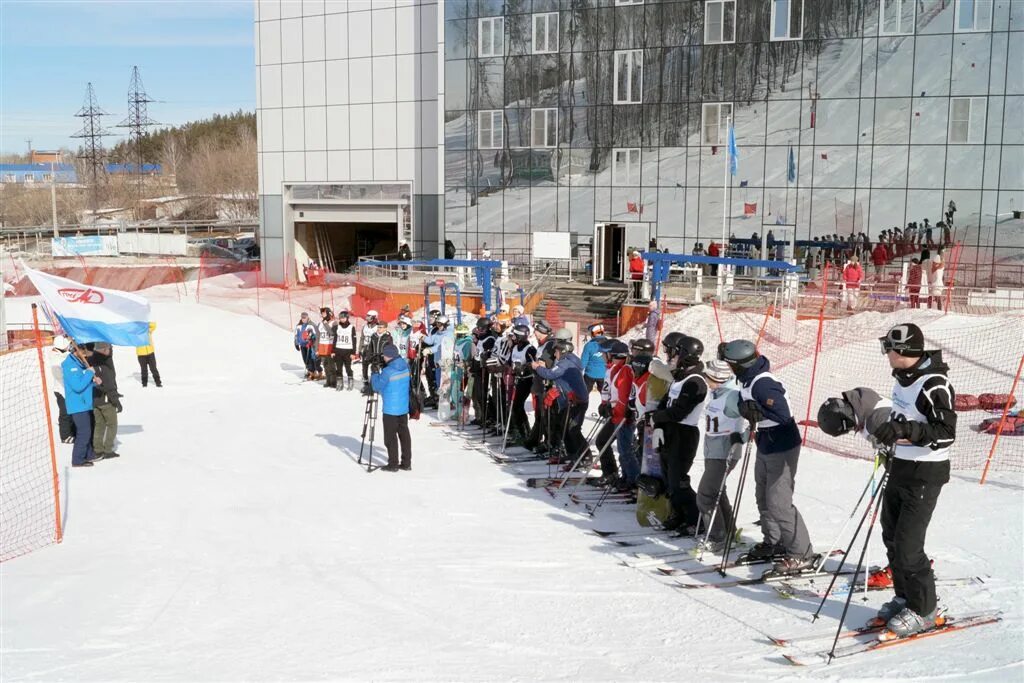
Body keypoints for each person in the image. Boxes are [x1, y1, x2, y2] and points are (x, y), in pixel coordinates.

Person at [868, 324, 956, 638]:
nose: (886, 354)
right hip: (901, 467)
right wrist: (888, 435)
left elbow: (946, 435)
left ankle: (925, 610)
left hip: (925, 473)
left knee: (908, 546)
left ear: (903, 350)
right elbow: (901, 419)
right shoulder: (902, 380)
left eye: (888, 348)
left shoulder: (933, 383)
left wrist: (906, 432)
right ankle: (905, 597)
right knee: (891, 535)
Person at [720, 339, 814, 571]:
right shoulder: (746, 380)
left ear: (740, 365)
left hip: (781, 444)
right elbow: (750, 410)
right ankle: (774, 541)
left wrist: (757, 412)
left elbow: (784, 414)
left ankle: (802, 552)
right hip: (765, 442)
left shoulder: (763, 383)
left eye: (731, 365)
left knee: (779, 502)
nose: (729, 369)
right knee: (763, 496)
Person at [649, 335, 707, 532]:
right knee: (669, 477)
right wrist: (658, 424)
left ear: (684, 354)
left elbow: (679, 412)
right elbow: (665, 403)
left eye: (673, 353)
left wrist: (657, 418)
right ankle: (678, 514)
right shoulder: (679, 377)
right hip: (670, 430)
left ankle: (695, 519)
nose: (670, 357)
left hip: (684, 433)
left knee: (678, 479)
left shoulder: (695, 381)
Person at [696, 359, 748, 549]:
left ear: (716, 378)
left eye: (707, 378)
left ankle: (717, 537)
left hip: (724, 453)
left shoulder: (732, 396)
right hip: (714, 452)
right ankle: (729, 531)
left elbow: (755, 417)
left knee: (705, 495)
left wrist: (742, 437)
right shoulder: (718, 393)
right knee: (718, 491)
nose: (705, 381)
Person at [532, 336, 589, 465]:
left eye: (556, 351)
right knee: (565, 427)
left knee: (573, 429)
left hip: (577, 401)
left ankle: (585, 455)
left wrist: (537, 367)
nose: (555, 353)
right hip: (569, 400)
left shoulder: (565, 362)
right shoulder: (567, 361)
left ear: (562, 352)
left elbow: (550, 374)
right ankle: (572, 454)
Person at [595, 340, 638, 491]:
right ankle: (621, 476)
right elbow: (610, 392)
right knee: (618, 447)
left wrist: (616, 410)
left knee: (625, 449)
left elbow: (624, 396)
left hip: (623, 416)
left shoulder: (625, 370)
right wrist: (605, 405)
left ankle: (632, 479)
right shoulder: (614, 369)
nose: (605, 358)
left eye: (608, 355)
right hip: (615, 414)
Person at [371, 344, 413, 472]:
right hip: (403, 407)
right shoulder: (405, 365)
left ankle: (393, 464)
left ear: (388, 355)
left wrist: (374, 374)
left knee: (390, 437)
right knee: (404, 434)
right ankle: (406, 463)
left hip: (390, 409)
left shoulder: (387, 372)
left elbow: (377, 386)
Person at [63, 341, 103, 467]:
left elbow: (84, 384)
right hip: (77, 404)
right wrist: (89, 373)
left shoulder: (78, 364)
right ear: (78, 351)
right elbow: (78, 386)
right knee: (84, 432)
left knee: (87, 430)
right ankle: (78, 459)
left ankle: (89, 454)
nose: (86, 357)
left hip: (84, 403)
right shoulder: (70, 365)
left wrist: (94, 383)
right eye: (85, 354)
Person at [89, 342, 122, 460]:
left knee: (99, 425)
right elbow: (108, 386)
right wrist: (116, 401)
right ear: (103, 350)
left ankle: (98, 450)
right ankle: (107, 449)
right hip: (106, 401)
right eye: (109, 348)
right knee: (112, 424)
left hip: (95, 400)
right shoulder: (105, 365)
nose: (110, 350)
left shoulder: (91, 362)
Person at [506, 324, 537, 446]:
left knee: (517, 406)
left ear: (520, 336)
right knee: (515, 407)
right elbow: (510, 362)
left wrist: (523, 368)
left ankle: (524, 433)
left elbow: (533, 365)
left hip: (527, 380)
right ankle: (522, 432)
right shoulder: (514, 347)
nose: (513, 337)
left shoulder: (530, 349)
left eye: (515, 335)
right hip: (518, 380)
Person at [579, 323, 608, 393]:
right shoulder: (608, 344)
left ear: (593, 334)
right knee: (605, 395)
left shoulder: (589, 345)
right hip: (604, 375)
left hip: (590, 374)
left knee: (584, 395)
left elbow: (583, 363)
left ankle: (583, 403)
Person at [334, 310, 357, 390]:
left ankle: (350, 381)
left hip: (348, 351)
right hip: (338, 350)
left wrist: (353, 353)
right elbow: (335, 339)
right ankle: (340, 383)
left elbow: (354, 341)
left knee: (348, 368)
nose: (342, 319)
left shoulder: (351, 327)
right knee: (338, 368)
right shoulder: (337, 327)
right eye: (340, 318)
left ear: (347, 318)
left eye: (343, 318)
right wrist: (333, 351)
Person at [135, 321, 162, 387]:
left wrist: (146, 323)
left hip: (150, 353)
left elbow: (154, 325)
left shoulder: (148, 331)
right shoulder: (136, 334)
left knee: (153, 368)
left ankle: (158, 382)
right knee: (144, 370)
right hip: (141, 354)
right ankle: (144, 384)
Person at [294, 312, 320, 379]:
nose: (303, 319)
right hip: (302, 345)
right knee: (305, 359)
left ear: (307, 317)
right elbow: (296, 335)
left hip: (309, 345)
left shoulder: (311, 325)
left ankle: (313, 372)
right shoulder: (299, 325)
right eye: (302, 318)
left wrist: (313, 339)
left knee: (310, 359)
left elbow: (317, 334)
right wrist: (296, 343)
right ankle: (309, 371)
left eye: (305, 317)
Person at [359, 310, 381, 390]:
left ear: (374, 317)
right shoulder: (365, 327)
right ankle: (366, 384)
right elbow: (362, 338)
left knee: (374, 367)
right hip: (365, 349)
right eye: (367, 316)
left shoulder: (378, 328)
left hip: (374, 350)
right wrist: (359, 350)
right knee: (364, 367)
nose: (367, 318)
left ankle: (374, 384)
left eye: (369, 316)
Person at [317, 308, 339, 388]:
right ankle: (328, 381)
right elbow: (318, 336)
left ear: (329, 314)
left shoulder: (334, 323)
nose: (322, 315)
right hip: (322, 347)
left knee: (331, 365)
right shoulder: (320, 323)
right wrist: (316, 349)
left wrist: (326, 324)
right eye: (322, 314)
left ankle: (334, 382)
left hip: (330, 347)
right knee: (325, 365)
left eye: (324, 313)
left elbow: (332, 333)